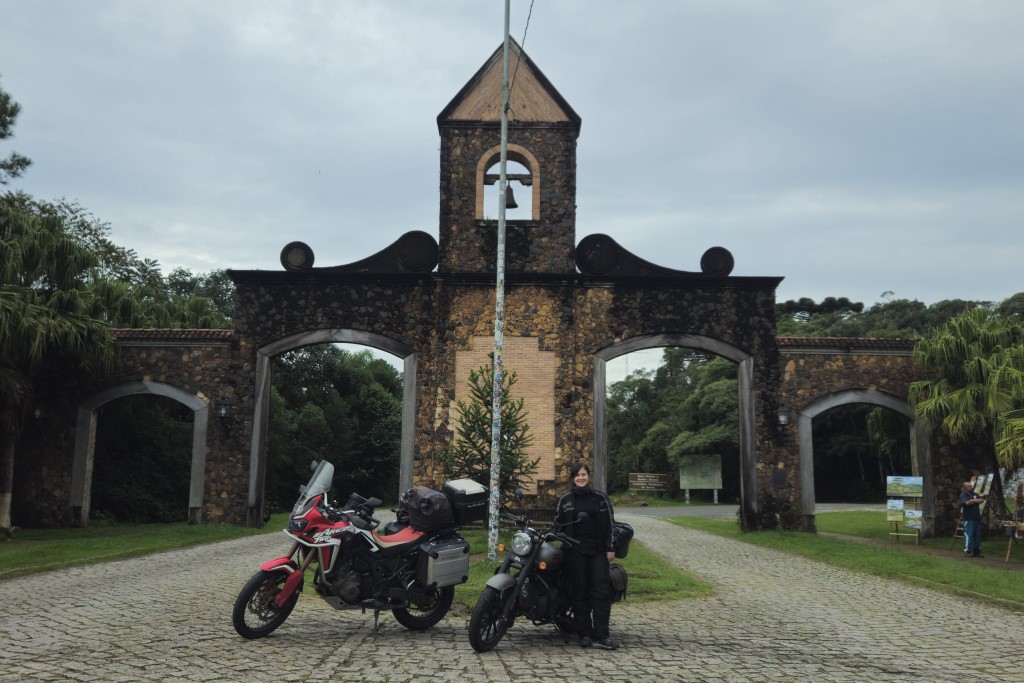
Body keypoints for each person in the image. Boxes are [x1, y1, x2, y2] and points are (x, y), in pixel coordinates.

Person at [554, 461, 619, 650]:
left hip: (598, 550)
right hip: (574, 552)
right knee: (579, 591)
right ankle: (584, 634)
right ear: (573, 478)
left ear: (588, 476)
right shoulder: (565, 500)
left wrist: (610, 547)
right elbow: (557, 524)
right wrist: (558, 535)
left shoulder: (600, 498)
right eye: (577, 475)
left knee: (600, 591)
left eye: (584, 474)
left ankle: (602, 635)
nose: (581, 478)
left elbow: (611, 524)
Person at [959, 480, 986, 557]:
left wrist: (973, 500)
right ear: (965, 488)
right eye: (970, 486)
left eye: (971, 486)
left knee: (977, 536)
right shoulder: (963, 495)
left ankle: (977, 551)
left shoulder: (975, 494)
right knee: (969, 534)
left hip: (976, 518)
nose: (972, 487)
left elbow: (982, 500)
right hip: (968, 518)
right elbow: (967, 503)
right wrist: (975, 501)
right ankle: (967, 551)